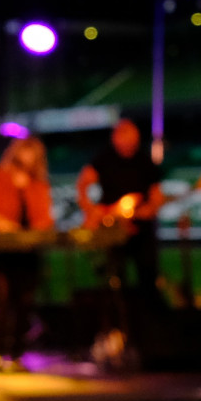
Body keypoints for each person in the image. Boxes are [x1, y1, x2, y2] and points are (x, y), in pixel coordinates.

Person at [0, 136, 54, 370]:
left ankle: (18, 354)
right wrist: (3, 224)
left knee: (25, 302)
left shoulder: (38, 184)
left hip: (28, 252)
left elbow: (43, 218)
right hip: (2, 251)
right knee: (2, 299)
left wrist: (26, 191)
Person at [76, 117, 165, 293]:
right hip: (112, 227)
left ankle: (147, 314)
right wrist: (90, 210)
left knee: (147, 275)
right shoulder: (104, 158)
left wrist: (151, 209)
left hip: (141, 229)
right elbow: (83, 183)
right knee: (115, 276)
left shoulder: (144, 160)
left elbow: (156, 195)